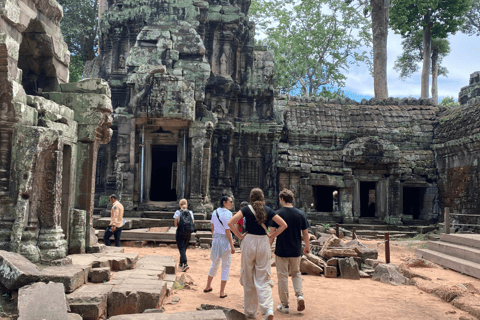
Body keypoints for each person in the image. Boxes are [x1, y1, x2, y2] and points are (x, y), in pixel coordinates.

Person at [228, 188, 288, 320]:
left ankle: (250, 312)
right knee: (263, 277)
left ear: (251, 197)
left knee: (248, 277)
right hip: (263, 243)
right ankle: (268, 309)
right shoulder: (268, 210)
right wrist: (272, 234)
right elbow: (283, 225)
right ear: (262, 198)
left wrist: (239, 235)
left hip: (249, 241)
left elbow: (230, 223)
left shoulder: (245, 209)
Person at [270, 189, 310, 314]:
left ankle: (285, 305)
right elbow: (305, 233)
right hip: (296, 249)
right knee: (296, 273)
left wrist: (268, 248)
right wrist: (307, 246)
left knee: (282, 276)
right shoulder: (300, 214)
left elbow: (272, 234)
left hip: (281, 249)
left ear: (282, 199)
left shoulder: (277, 214)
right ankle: (299, 296)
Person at [203, 196, 236, 298]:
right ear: (225, 203)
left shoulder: (215, 212)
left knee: (215, 263)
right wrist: (232, 245)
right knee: (225, 266)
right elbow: (227, 231)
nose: (232, 203)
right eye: (230, 202)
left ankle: (208, 285)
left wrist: (215, 235)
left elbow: (212, 226)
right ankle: (221, 292)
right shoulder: (228, 214)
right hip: (224, 240)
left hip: (216, 240)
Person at [174, 199, 195, 272]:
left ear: (180, 205)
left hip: (180, 232)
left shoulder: (177, 212)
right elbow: (192, 222)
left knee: (181, 248)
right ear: (187, 204)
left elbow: (176, 224)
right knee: (184, 248)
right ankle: (180, 263)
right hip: (188, 232)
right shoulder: (190, 212)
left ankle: (185, 264)